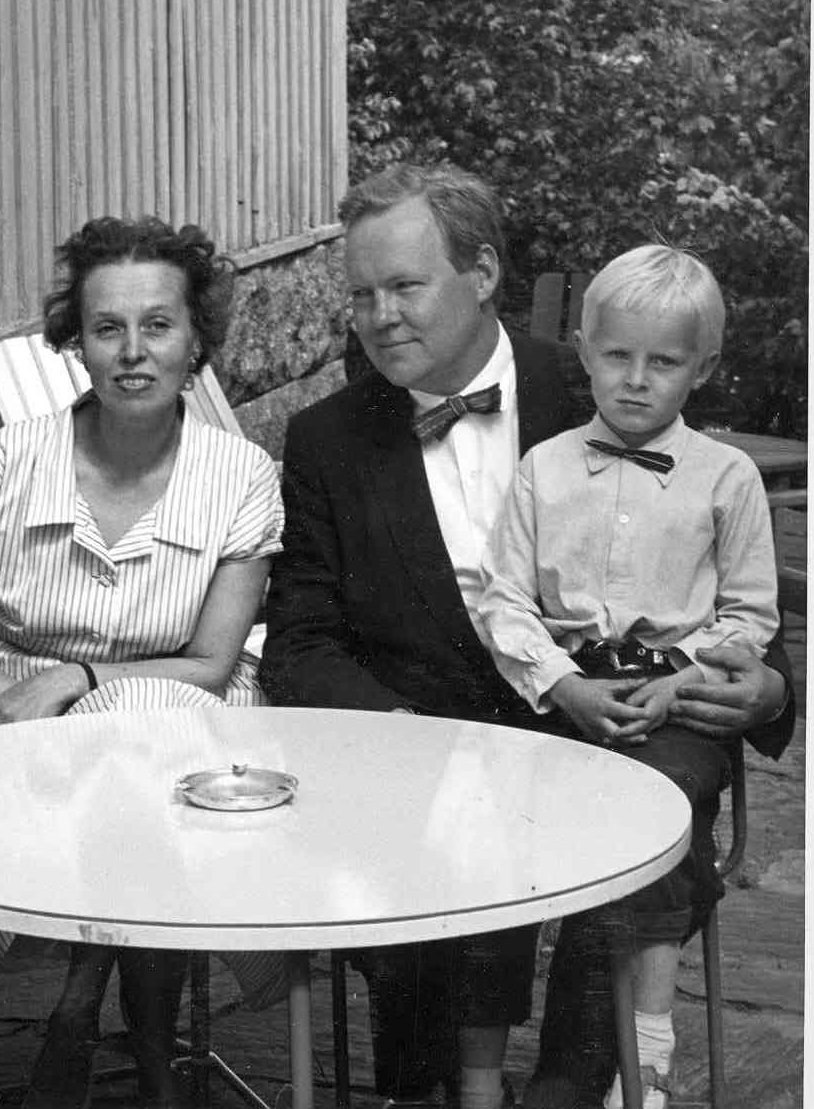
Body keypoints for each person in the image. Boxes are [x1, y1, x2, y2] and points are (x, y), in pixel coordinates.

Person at [260, 163, 796, 1109]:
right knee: (429, 825)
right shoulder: (327, 439)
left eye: (405, 286)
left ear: (483, 274)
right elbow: (300, 639)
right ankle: (439, 1087)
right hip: (431, 742)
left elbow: (702, 556)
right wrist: (402, 735)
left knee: (635, 822)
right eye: (361, 294)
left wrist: (770, 687)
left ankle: (575, 1084)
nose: (380, 316)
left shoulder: (605, 375)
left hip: (623, 719)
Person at [0, 216, 284, 1107]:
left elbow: (213, 660)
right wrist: (20, 700)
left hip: (166, 700)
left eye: (158, 325)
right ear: (77, 342)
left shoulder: (241, 473)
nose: (133, 352)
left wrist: (80, 683)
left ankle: (82, 1009)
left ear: (196, 341)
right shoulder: (10, 457)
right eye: (108, 328)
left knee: (145, 748)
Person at [479, 246, 778, 1109]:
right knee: (506, 808)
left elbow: (751, 614)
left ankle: (633, 1050)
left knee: (654, 809)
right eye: (617, 356)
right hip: (565, 695)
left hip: (679, 705)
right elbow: (504, 600)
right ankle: (506, 1070)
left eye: (665, 362)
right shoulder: (543, 468)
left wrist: (681, 681)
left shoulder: (728, 477)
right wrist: (562, 684)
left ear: (704, 368)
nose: (637, 381)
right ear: (584, 351)